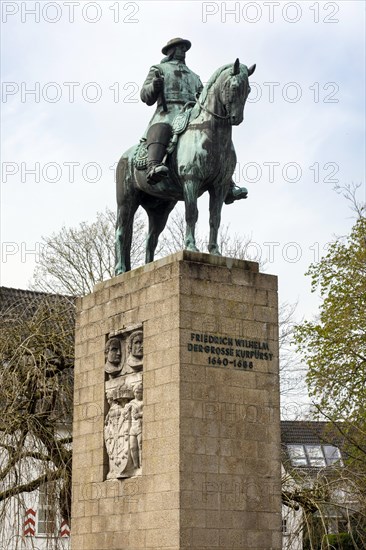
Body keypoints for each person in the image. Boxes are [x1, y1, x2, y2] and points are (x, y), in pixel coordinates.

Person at [140, 37, 248, 203]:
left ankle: (226, 180)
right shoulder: (159, 69)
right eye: (180, 48)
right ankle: (153, 166)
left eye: (184, 48)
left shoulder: (194, 76)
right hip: (167, 112)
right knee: (162, 128)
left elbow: (204, 97)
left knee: (214, 136)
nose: (183, 51)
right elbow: (145, 96)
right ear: (171, 51)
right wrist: (154, 85)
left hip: (191, 112)